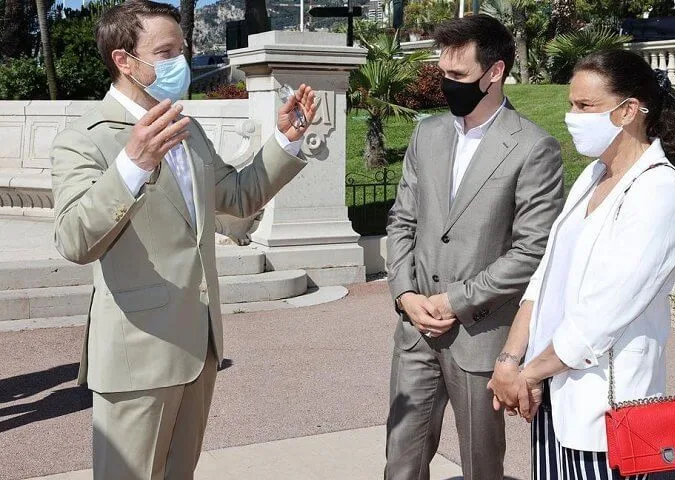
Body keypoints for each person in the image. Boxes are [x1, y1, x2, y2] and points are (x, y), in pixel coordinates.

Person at [49, 1, 318, 478]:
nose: (181, 62)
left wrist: (285, 141)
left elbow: (236, 196)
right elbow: (73, 240)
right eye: (166, 51)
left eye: (183, 49)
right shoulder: (84, 138)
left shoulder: (187, 129)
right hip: (138, 355)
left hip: (200, 346)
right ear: (124, 61)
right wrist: (132, 165)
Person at [488, 49, 675, 480]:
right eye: (571, 103)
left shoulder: (658, 189)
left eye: (585, 106)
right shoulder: (592, 176)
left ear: (628, 111)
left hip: (607, 404)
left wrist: (527, 374)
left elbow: (603, 313)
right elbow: (545, 275)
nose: (572, 115)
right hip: (553, 390)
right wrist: (509, 360)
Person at [385, 14, 565, 480]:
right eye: (443, 74)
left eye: (459, 76)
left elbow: (532, 252)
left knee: (481, 468)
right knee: (401, 461)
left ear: (496, 72)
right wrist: (406, 295)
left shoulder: (533, 147)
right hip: (416, 329)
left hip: (480, 335)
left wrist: (455, 300)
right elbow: (403, 220)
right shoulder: (428, 134)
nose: (447, 85)